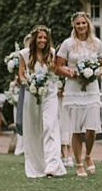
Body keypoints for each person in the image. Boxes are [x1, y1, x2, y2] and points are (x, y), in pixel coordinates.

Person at [55, 12, 102, 177]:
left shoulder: (97, 43)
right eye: (78, 24)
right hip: (73, 89)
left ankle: (89, 156)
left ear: (88, 24)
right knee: (76, 129)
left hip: (91, 89)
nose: (81, 26)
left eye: (83, 23)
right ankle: (78, 163)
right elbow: (58, 66)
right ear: (74, 25)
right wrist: (72, 73)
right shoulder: (68, 44)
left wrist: (93, 73)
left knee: (91, 129)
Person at [17, 24, 67, 179]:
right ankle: (37, 165)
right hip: (32, 95)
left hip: (50, 94)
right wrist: (29, 83)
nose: (43, 40)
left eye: (45, 38)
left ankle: (52, 165)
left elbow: (56, 72)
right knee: (33, 129)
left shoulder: (52, 53)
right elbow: (21, 76)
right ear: (34, 39)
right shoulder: (25, 54)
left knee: (49, 126)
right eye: (40, 37)